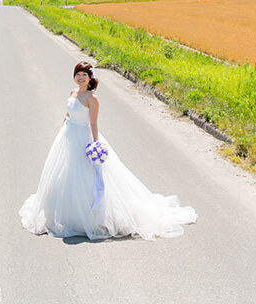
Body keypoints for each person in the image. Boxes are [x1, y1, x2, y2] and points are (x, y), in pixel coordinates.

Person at [19, 61, 196, 240]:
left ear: (90, 79)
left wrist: (95, 145)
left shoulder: (92, 99)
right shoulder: (73, 92)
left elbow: (94, 123)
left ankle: (89, 215)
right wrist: (65, 123)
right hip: (67, 135)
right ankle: (62, 212)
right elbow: (69, 112)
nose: (80, 78)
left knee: (85, 175)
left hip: (83, 137)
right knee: (64, 172)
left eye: (84, 75)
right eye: (78, 74)